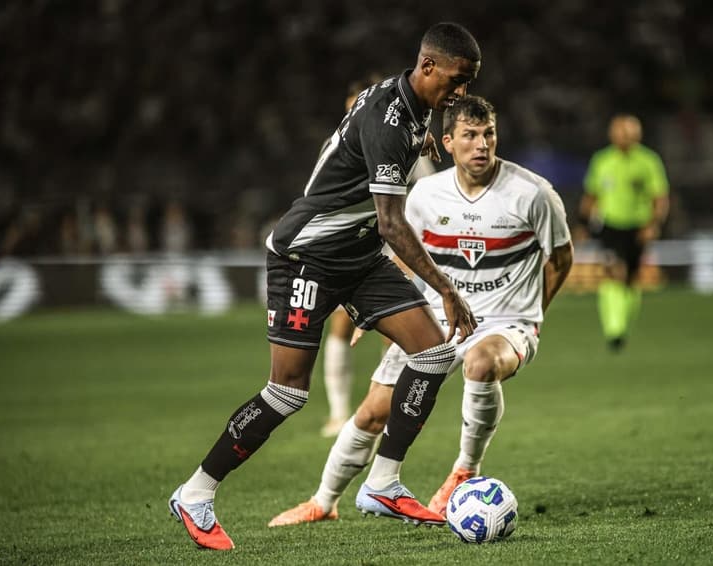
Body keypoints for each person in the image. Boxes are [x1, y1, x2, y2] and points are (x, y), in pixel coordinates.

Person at [168, 22, 481, 550]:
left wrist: (414, 135)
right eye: (457, 79)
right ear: (428, 67)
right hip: (305, 258)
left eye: (469, 82)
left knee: (433, 352)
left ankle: (382, 483)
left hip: (356, 257)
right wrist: (444, 287)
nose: (462, 92)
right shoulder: (390, 119)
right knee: (287, 392)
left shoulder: (408, 101)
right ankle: (195, 493)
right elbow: (391, 222)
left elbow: (364, 111)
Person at [267, 95, 573, 527]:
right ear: (448, 142)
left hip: (506, 323)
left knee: (482, 363)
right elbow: (400, 256)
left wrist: (532, 315)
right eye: (469, 136)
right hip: (438, 318)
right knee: (374, 410)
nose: (481, 145)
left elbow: (560, 258)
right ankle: (323, 501)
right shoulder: (426, 194)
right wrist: (370, 310)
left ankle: (464, 470)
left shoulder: (534, 194)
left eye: (488, 134)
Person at [321, 75, 436, 438]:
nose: (356, 113)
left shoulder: (402, 138)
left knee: (396, 332)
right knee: (338, 326)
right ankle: (339, 413)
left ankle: (389, 413)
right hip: (355, 241)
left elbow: (425, 196)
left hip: (395, 239)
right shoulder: (339, 142)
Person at [579, 114, 669, 351]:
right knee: (613, 273)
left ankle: (623, 326)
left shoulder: (648, 161)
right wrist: (583, 223)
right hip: (610, 226)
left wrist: (653, 224)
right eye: (620, 132)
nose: (624, 136)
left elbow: (659, 197)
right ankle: (614, 330)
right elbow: (591, 194)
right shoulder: (602, 160)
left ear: (637, 134)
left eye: (628, 132)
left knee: (631, 279)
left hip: (638, 228)